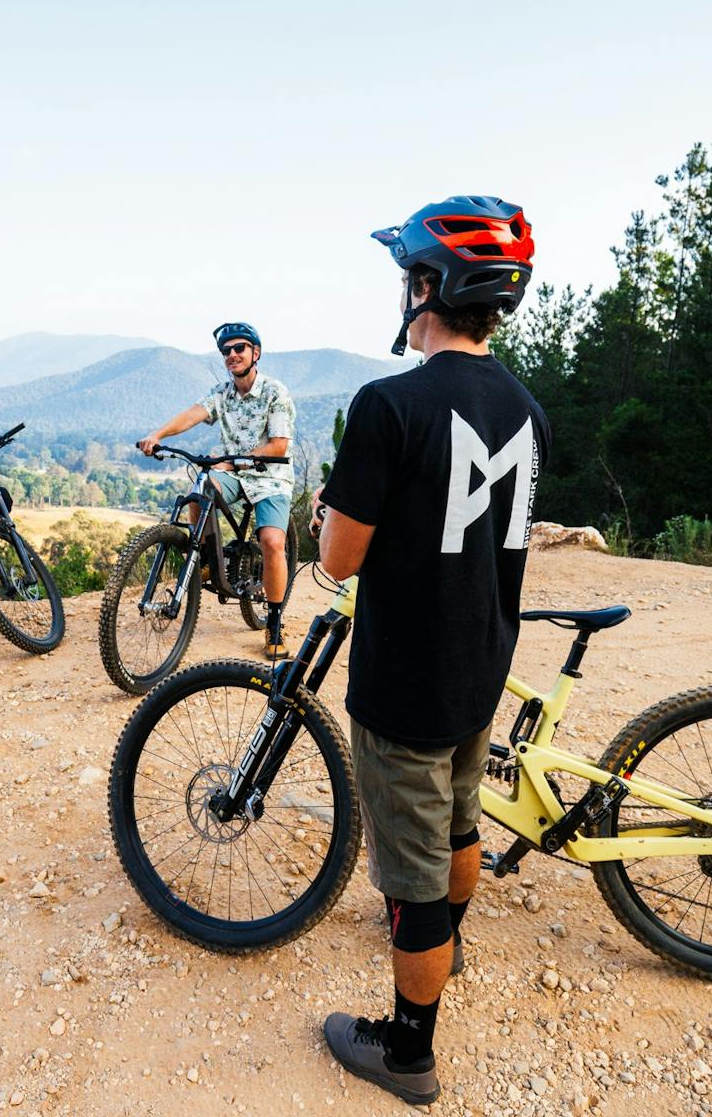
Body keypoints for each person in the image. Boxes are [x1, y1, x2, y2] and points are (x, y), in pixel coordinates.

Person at [313, 196, 546, 1105]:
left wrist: (334, 508)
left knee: (407, 880)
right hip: (479, 662)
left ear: (426, 287)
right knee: (458, 825)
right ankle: (445, 938)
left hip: (405, 674)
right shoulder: (528, 409)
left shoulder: (387, 404)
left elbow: (338, 559)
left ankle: (408, 1052)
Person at [139, 322, 297, 656]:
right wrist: (158, 435)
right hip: (234, 474)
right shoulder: (221, 393)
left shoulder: (274, 392)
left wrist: (235, 462)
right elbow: (192, 415)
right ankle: (208, 557)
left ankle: (274, 623)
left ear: (255, 353)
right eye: (226, 351)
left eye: (239, 348)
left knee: (271, 541)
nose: (231, 355)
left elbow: (279, 446)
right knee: (201, 486)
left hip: (269, 477)